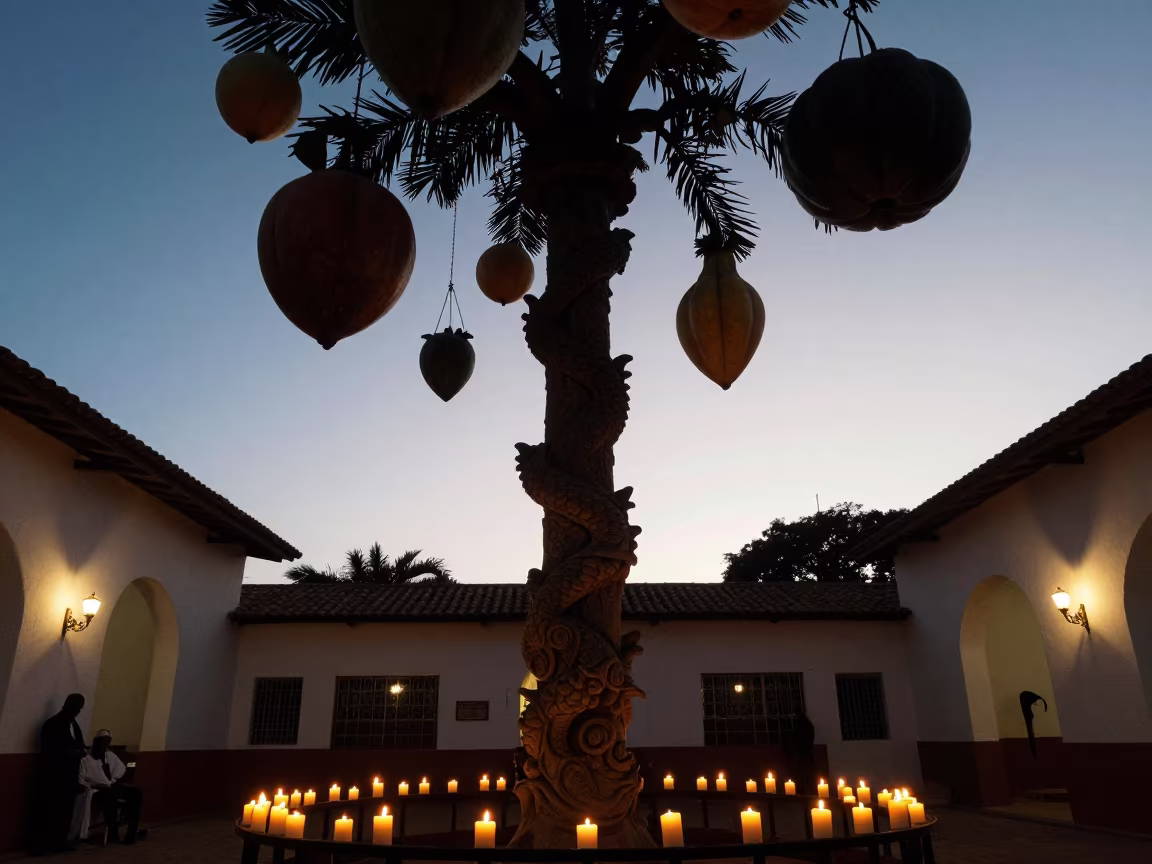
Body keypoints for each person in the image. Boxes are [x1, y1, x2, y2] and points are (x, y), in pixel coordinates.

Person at [32, 693, 88, 855]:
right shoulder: (56, 723)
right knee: (51, 809)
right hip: (55, 775)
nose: (79, 711)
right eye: (78, 707)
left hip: (67, 776)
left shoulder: (70, 723)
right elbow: (57, 750)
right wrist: (77, 753)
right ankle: (45, 844)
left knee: (63, 810)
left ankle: (59, 841)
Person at [79, 730, 142, 844]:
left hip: (111, 785)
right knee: (110, 796)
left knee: (136, 793)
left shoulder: (109, 755)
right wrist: (93, 784)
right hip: (97, 788)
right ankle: (113, 830)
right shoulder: (86, 759)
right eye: (102, 744)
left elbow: (120, 770)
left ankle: (131, 832)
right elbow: (82, 779)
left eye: (107, 744)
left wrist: (113, 779)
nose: (104, 747)